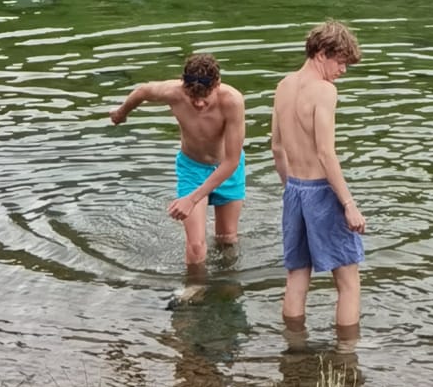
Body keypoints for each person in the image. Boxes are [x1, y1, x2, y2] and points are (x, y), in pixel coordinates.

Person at [270, 21, 365, 335]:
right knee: (348, 282)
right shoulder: (324, 91)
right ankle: (347, 351)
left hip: (294, 189)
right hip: (321, 191)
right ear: (322, 53)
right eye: (341, 62)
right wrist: (349, 205)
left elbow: (277, 147)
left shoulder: (283, 86)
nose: (343, 70)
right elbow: (326, 153)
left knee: (297, 276)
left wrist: (290, 189)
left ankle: (294, 346)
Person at [107, 53, 246, 268]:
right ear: (183, 84)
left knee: (227, 238)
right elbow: (142, 91)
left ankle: (227, 281)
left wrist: (191, 199)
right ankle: (194, 285)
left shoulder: (232, 101)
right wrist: (121, 112)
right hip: (193, 168)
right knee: (196, 246)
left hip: (227, 170)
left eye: (205, 97)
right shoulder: (173, 92)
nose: (198, 103)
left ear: (217, 84)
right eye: (193, 97)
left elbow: (232, 161)